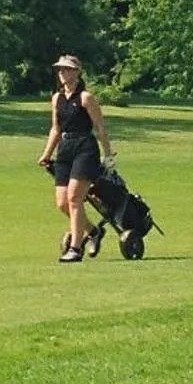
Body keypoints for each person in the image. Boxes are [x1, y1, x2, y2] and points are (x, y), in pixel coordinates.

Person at [38, 53, 114, 262]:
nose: (62, 73)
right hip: (65, 149)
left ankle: (75, 248)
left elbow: (99, 128)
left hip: (85, 148)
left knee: (74, 198)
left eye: (66, 69)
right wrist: (46, 154)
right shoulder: (57, 98)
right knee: (62, 203)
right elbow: (56, 128)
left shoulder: (86, 98)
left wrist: (108, 155)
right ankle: (93, 231)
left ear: (76, 72)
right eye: (60, 69)